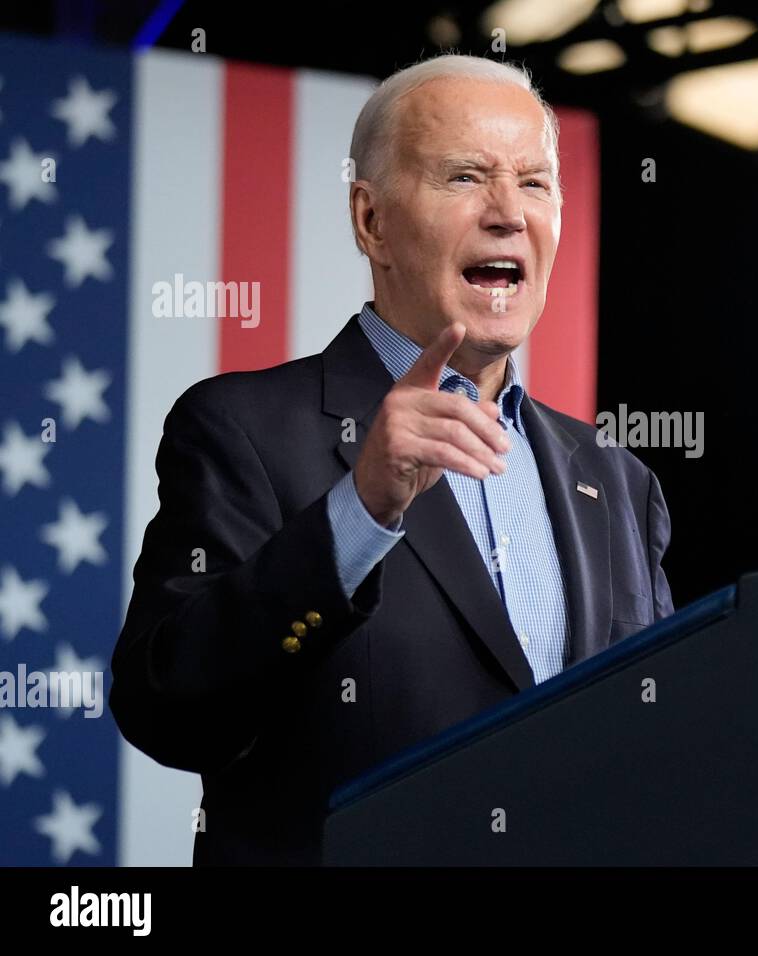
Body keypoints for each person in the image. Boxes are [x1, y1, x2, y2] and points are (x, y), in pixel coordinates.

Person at [110, 54, 674, 866]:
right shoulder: (243, 428)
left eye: (536, 182)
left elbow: (654, 746)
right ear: (370, 221)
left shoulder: (619, 480)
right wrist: (359, 514)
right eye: (465, 177)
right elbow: (168, 709)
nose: (509, 213)